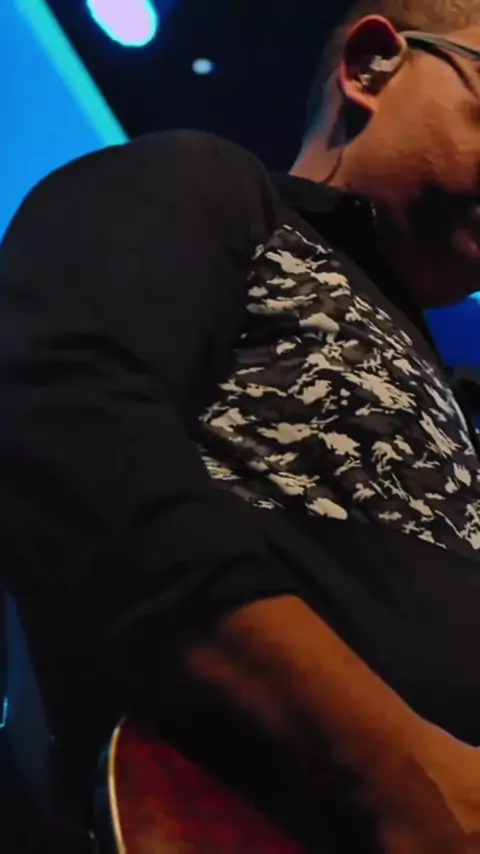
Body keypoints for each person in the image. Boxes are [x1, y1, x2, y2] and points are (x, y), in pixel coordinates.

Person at [3, 0, 480, 850]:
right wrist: (391, 771)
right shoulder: (208, 187)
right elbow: (67, 425)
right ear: (370, 66)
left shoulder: (462, 399)